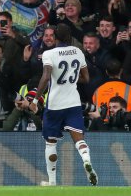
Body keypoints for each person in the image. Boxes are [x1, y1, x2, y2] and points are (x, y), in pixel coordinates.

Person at [29, 23, 98, 186]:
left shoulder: (49, 53)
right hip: (73, 103)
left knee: (51, 142)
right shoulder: (78, 52)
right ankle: (86, 160)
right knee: (79, 139)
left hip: (54, 105)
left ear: (55, 37)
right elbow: (86, 79)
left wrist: (34, 100)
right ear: (70, 37)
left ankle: (52, 181)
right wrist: (70, 78)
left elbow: (46, 77)